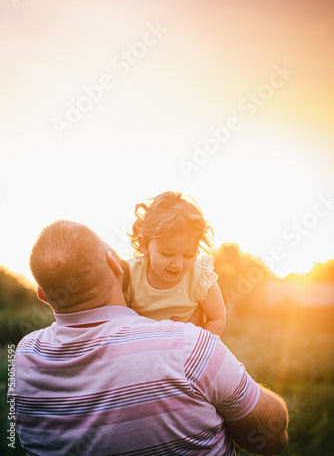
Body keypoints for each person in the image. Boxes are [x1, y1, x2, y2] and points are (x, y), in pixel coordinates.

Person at [12, 220, 288, 455]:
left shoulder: (22, 357)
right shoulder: (186, 344)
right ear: (115, 263)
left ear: (43, 295)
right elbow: (271, 435)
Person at [125, 191, 226, 336]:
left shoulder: (200, 278)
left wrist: (195, 344)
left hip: (186, 349)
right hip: (142, 346)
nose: (178, 265)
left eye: (189, 255)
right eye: (167, 254)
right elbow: (119, 320)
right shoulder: (131, 274)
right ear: (144, 245)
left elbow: (217, 319)